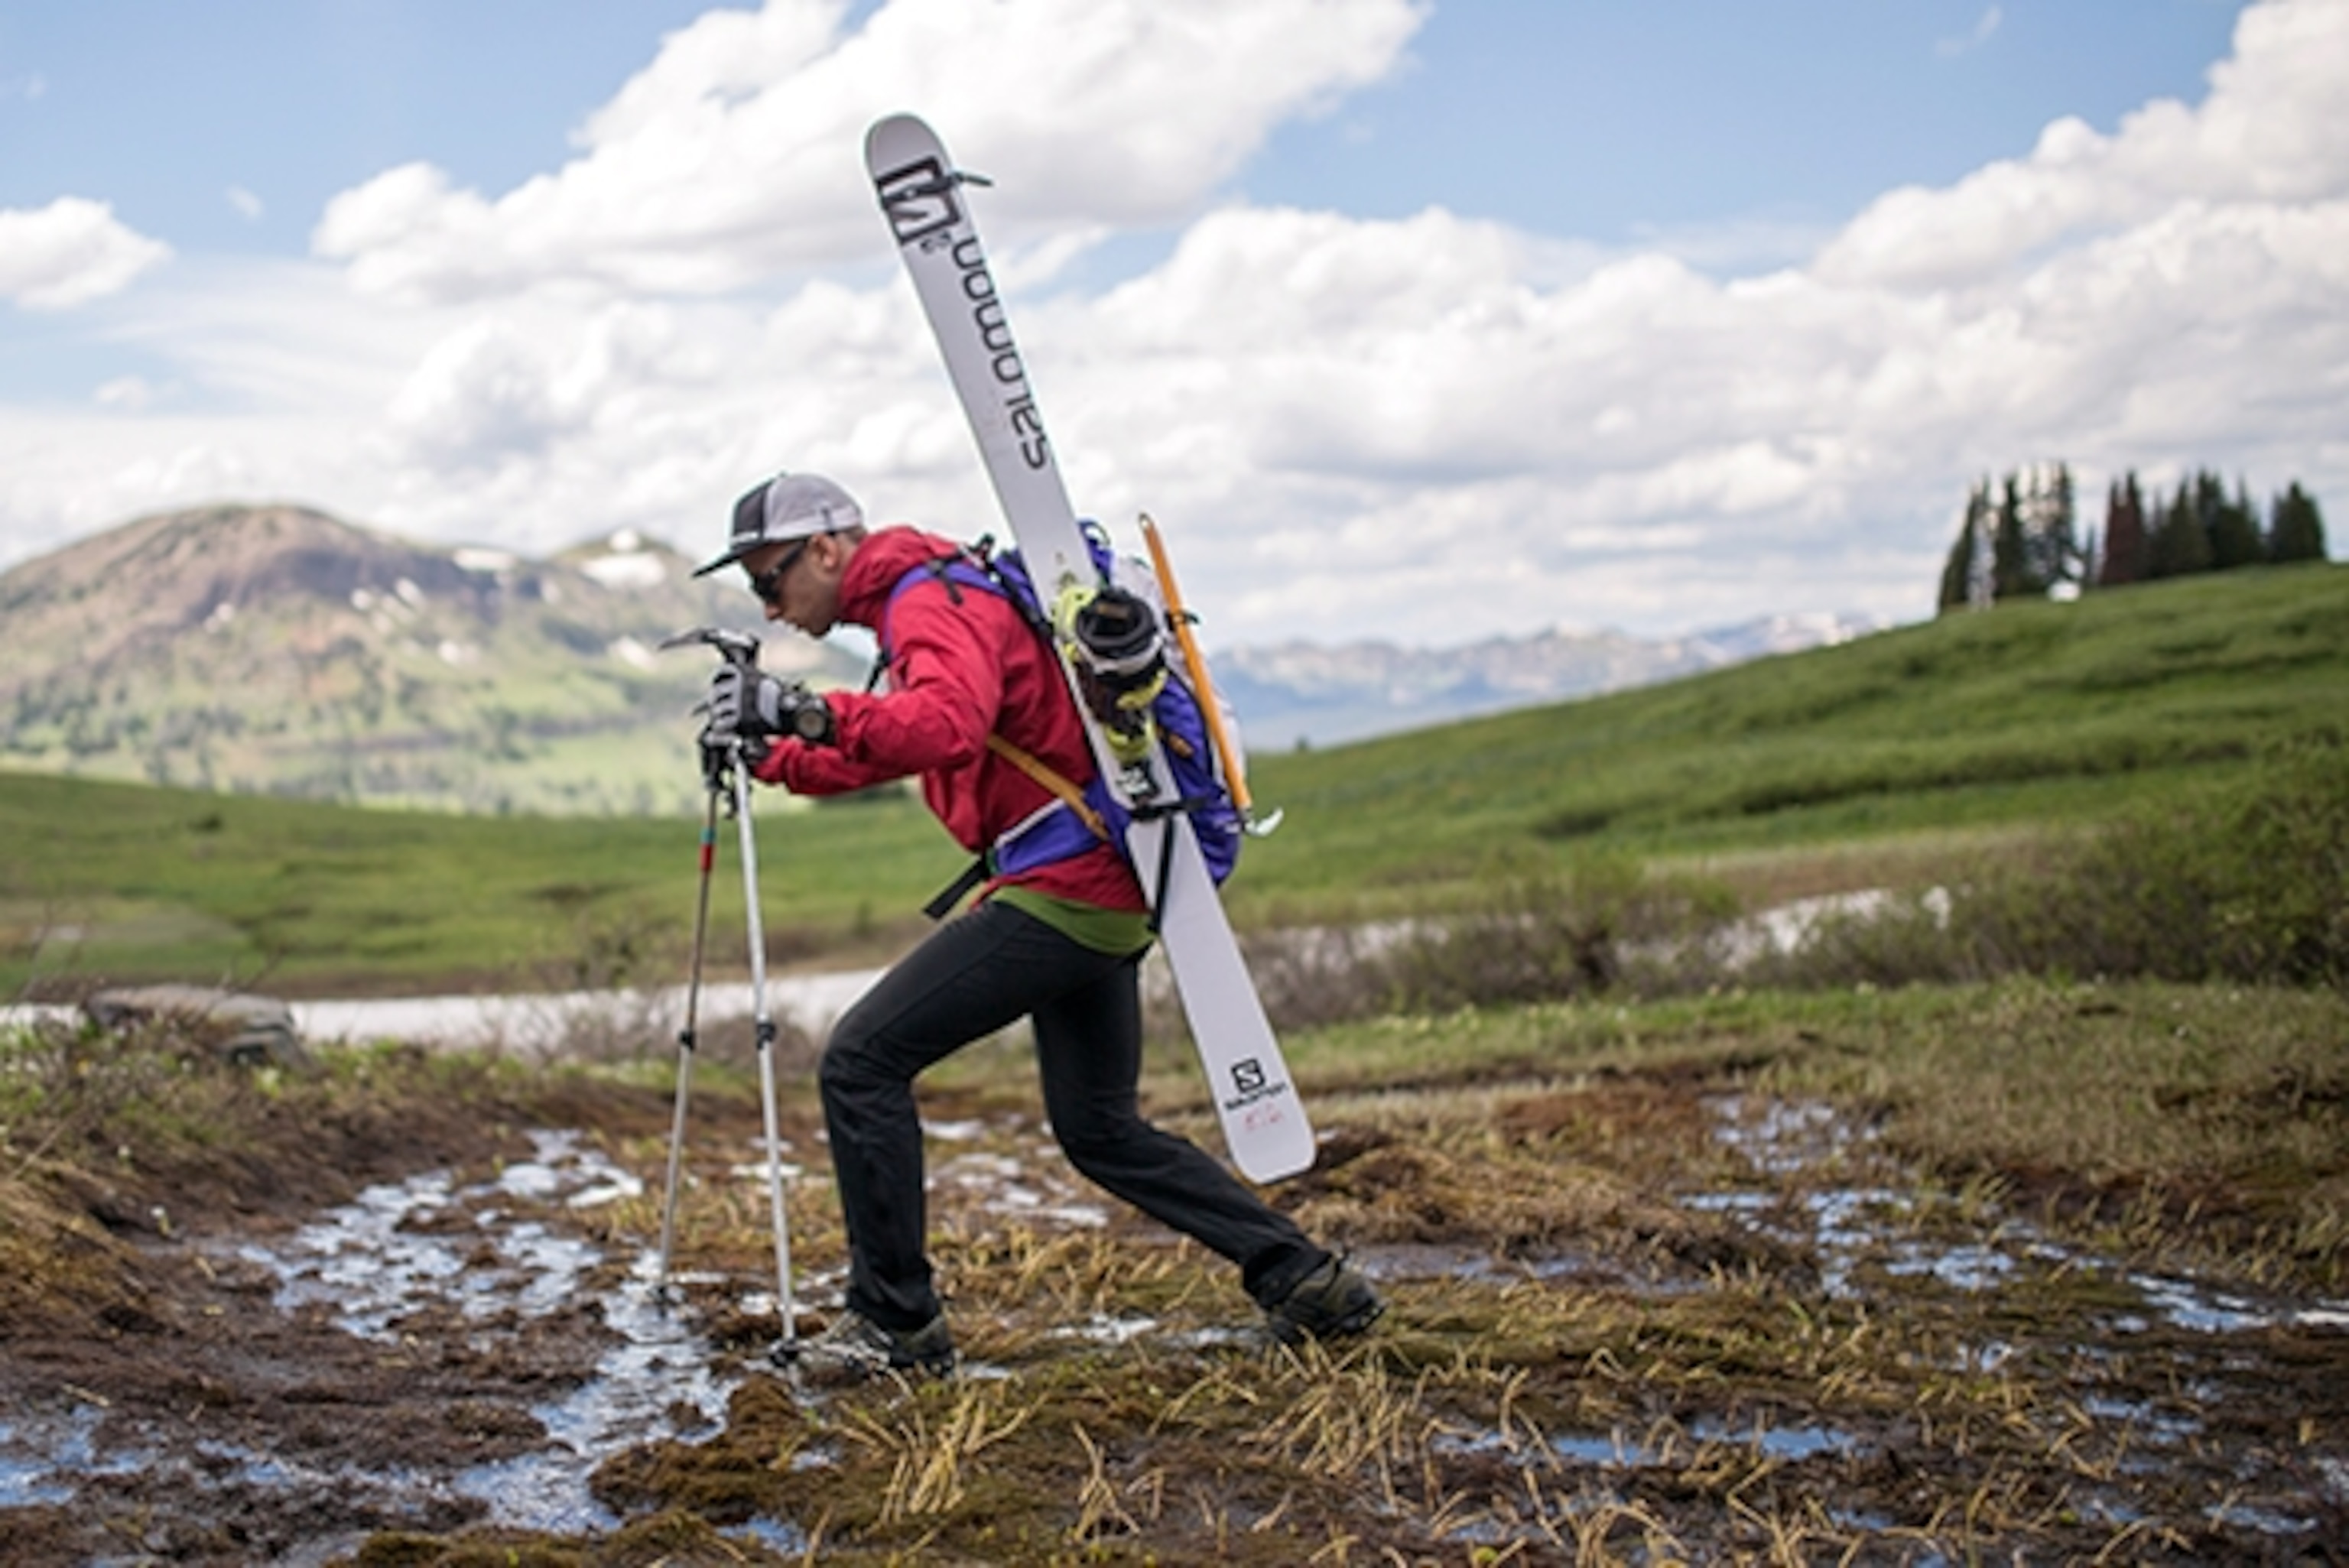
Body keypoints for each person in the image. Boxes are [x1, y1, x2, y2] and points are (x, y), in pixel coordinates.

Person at [694, 469, 1382, 1379]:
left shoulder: (924, 600)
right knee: (1099, 1127)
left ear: (826, 549)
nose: (768, 604)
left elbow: (941, 726)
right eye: (753, 589)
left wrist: (805, 710)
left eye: (769, 578)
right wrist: (781, 754)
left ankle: (894, 1324)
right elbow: (929, 739)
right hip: (1103, 871)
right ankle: (1310, 1281)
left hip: (1074, 882)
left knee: (862, 1059)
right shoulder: (936, 592)